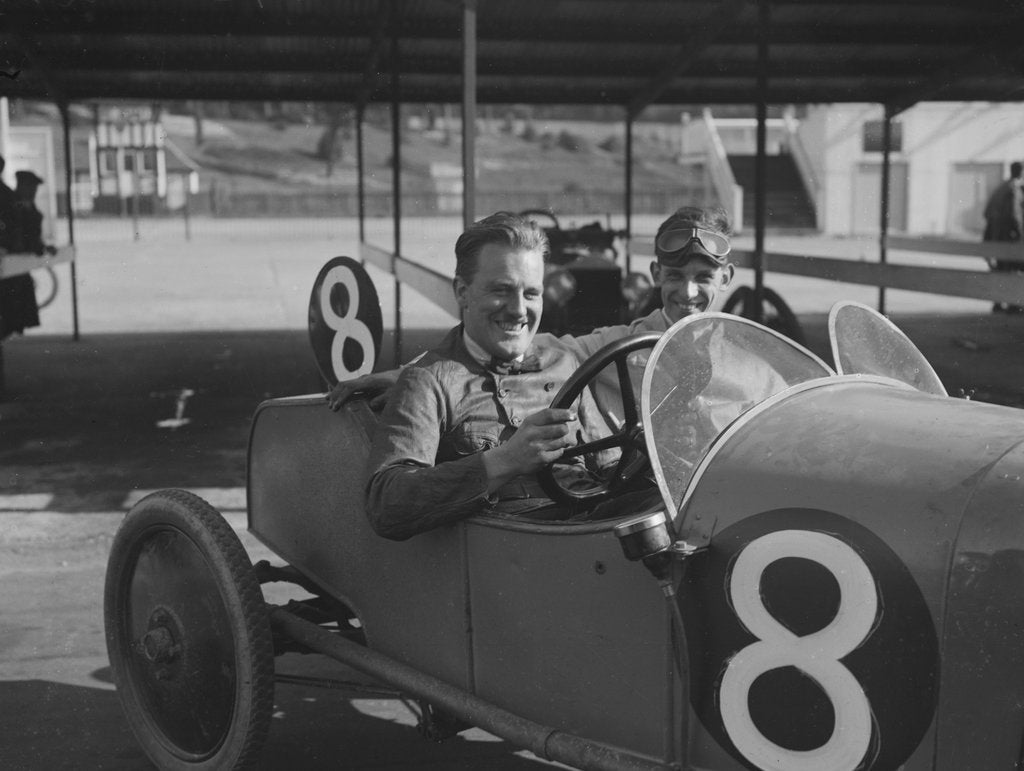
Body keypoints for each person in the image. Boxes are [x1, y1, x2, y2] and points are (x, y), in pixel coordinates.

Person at [329, 205, 736, 429]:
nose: (687, 292)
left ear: (727, 278)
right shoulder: (623, 345)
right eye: (675, 276)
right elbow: (524, 350)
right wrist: (405, 373)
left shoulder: (756, 355)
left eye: (703, 278)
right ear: (655, 276)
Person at [363, 212, 624, 540]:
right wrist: (506, 460)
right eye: (501, 290)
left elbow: (611, 468)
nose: (518, 310)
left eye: (531, 294)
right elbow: (387, 503)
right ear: (462, 292)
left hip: (594, 534)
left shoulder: (564, 363)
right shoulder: (429, 381)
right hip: (521, 554)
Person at [983, 161, 1024, 312]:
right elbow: (1015, 214)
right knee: (1013, 271)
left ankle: (998, 303)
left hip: (996, 237)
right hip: (1008, 238)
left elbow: (987, 212)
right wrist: (1019, 233)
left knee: (1001, 270)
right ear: (1021, 172)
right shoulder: (1014, 189)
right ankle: (1013, 304)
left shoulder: (1001, 187)